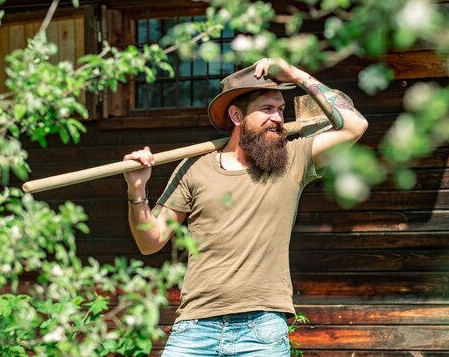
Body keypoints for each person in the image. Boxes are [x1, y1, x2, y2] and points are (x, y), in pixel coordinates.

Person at [123, 58, 368, 356]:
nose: (278, 118)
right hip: (196, 327)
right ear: (237, 115)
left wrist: (295, 74)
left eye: (280, 109)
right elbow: (150, 241)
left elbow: (355, 125)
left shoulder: (293, 159)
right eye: (267, 109)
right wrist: (137, 190)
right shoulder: (194, 168)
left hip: (262, 330)